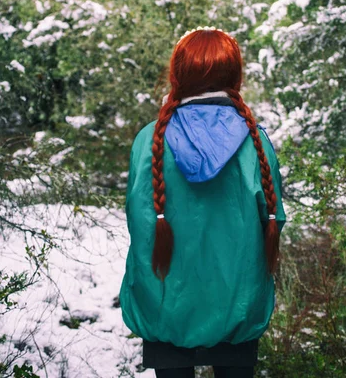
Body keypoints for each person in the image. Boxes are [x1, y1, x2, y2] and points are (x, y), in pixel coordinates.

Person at [119, 27, 286, 378]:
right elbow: (273, 218)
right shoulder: (255, 142)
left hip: (168, 303)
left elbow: (139, 221)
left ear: (178, 74)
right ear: (234, 75)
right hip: (237, 307)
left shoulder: (150, 139)